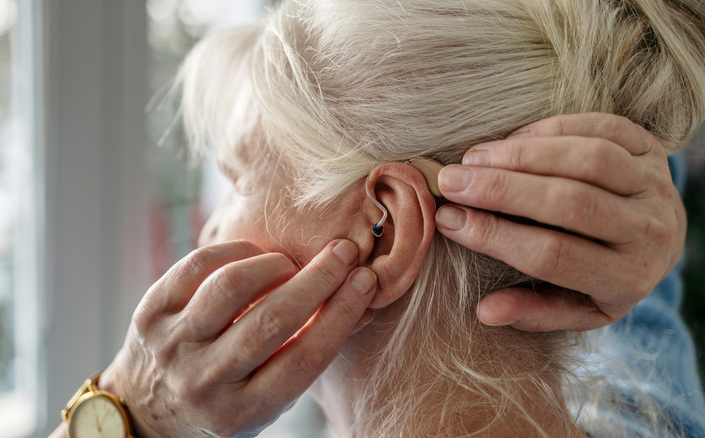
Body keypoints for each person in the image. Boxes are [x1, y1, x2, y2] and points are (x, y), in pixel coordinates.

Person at [51, 0, 705, 437]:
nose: (208, 232)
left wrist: (129, 410)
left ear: (380, 229)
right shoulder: (650, 413)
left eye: (240, 177)